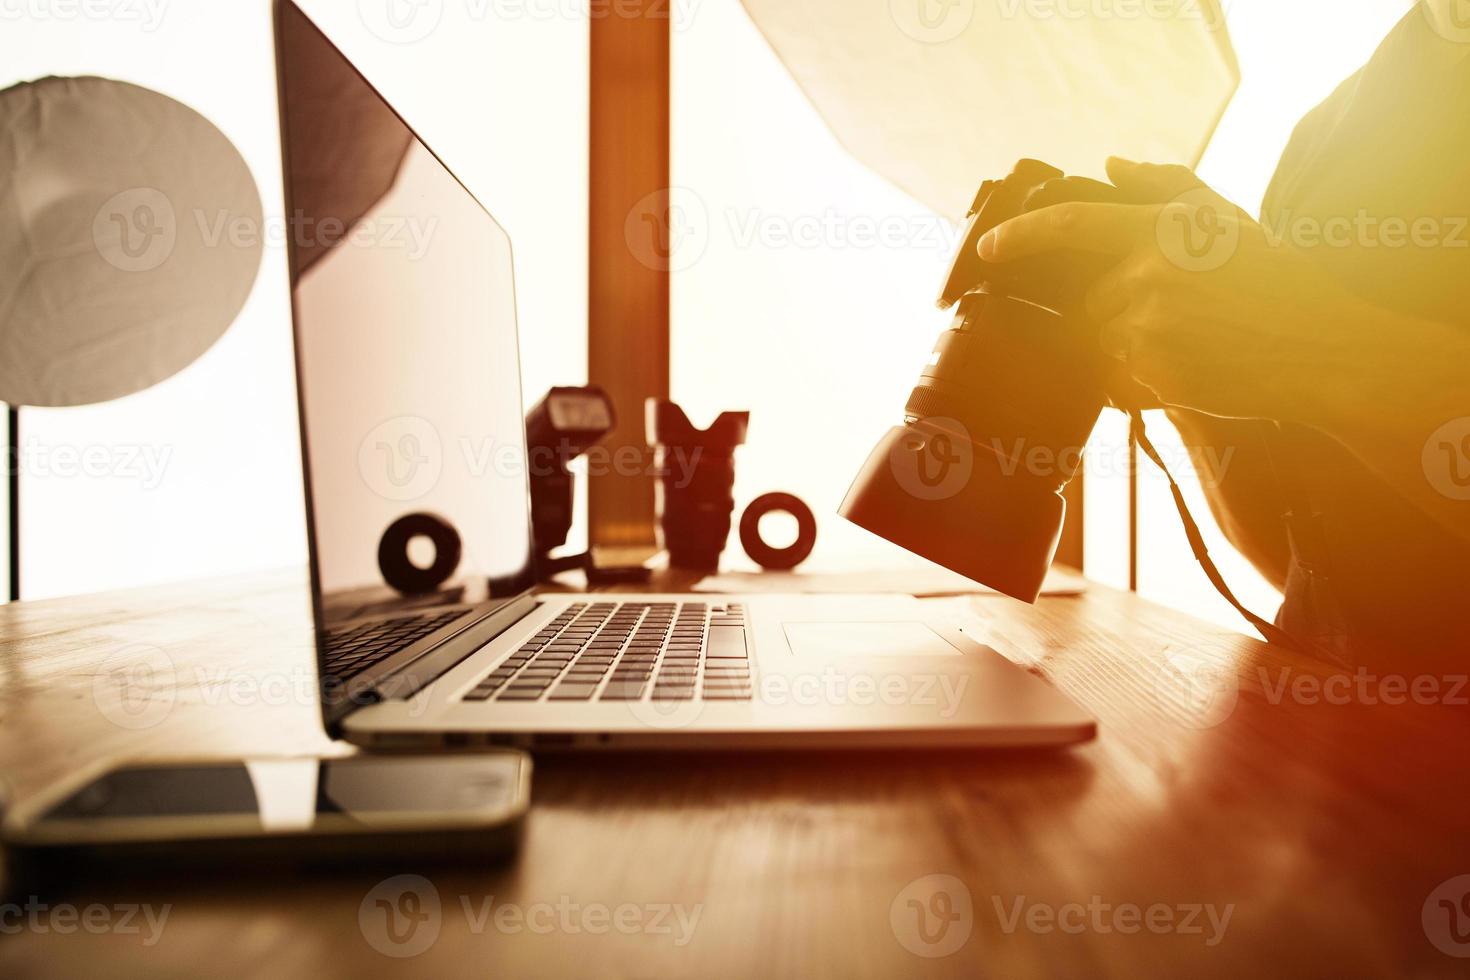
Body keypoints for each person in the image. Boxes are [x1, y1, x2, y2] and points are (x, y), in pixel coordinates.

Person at [978, 1, 1469, 664]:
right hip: (1332, 723)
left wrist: (1311, 345)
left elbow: (1311, 351)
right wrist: (1177, 364)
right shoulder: (1333, 125)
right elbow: (1312, 570)